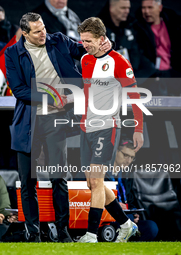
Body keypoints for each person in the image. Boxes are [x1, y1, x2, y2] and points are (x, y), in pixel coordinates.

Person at [4, 12, 112, 242]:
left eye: (43, 28)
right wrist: (53, 98)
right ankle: (33, 234)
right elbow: (19, 90)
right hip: (28, 123)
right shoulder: (13, 53)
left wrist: (105, 47)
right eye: (37, 31)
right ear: (24, 33)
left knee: (58, 178)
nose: (43, 33)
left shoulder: (59, 40)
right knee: (27, 183)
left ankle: (63, 232)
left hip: (56, 122)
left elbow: (85, 49)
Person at [76, 17, 144, 243]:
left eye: (88, 40)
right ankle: (126, 224)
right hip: (87, 128)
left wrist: (138, 129)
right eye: (82, 40)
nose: (84, 44)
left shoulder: (119, 62)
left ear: (102, 39)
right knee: (91, 183)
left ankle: (90, 235)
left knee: (96, 181)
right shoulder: (85, 59)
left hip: (108, 127)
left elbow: (134, 96)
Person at [106, 139, 159, 241]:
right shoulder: (101, 173)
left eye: (132, 157)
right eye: (125, 155)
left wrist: (134, 213)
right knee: (127, 220)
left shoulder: (126, 176)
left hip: (126, 219)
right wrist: (115, 206)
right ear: (115, 152)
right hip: (109, 220)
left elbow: (130, 201)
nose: (128, 161)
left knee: (151, 227)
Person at [97, 0, 156, 80]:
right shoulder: (98, 28)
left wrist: (132, 69)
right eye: (123, 8)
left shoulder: (130, 25)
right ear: (111, 8)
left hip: (128, 67)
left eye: (128, 8)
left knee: (150, 67)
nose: (127, 11)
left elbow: (135, 51)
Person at [135, 0, 181, 96]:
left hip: (173, 73)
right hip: (152, 75)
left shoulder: (173, 24)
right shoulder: (138, 29)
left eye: (150, 7)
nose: (146, 11)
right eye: (144, 8)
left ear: (159, 8)